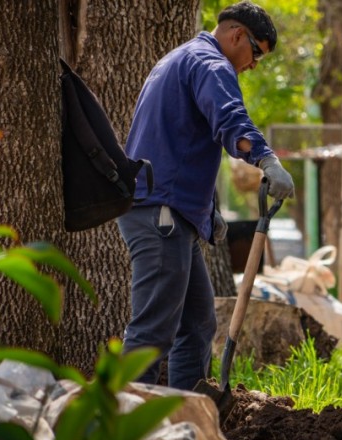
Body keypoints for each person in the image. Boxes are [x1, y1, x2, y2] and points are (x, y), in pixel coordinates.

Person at [117, 1, 295, 390]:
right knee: (152, 331)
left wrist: (207, 209)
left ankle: (186, 416)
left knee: (197, 321)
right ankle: (123, 430)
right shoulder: (211, 64)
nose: (253, 65)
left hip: (167, 210)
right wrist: (267, 160)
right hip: (160, 213)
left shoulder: (182, 59)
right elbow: (230, 118)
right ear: (236, 36)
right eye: (257, 54)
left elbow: (179, 142)